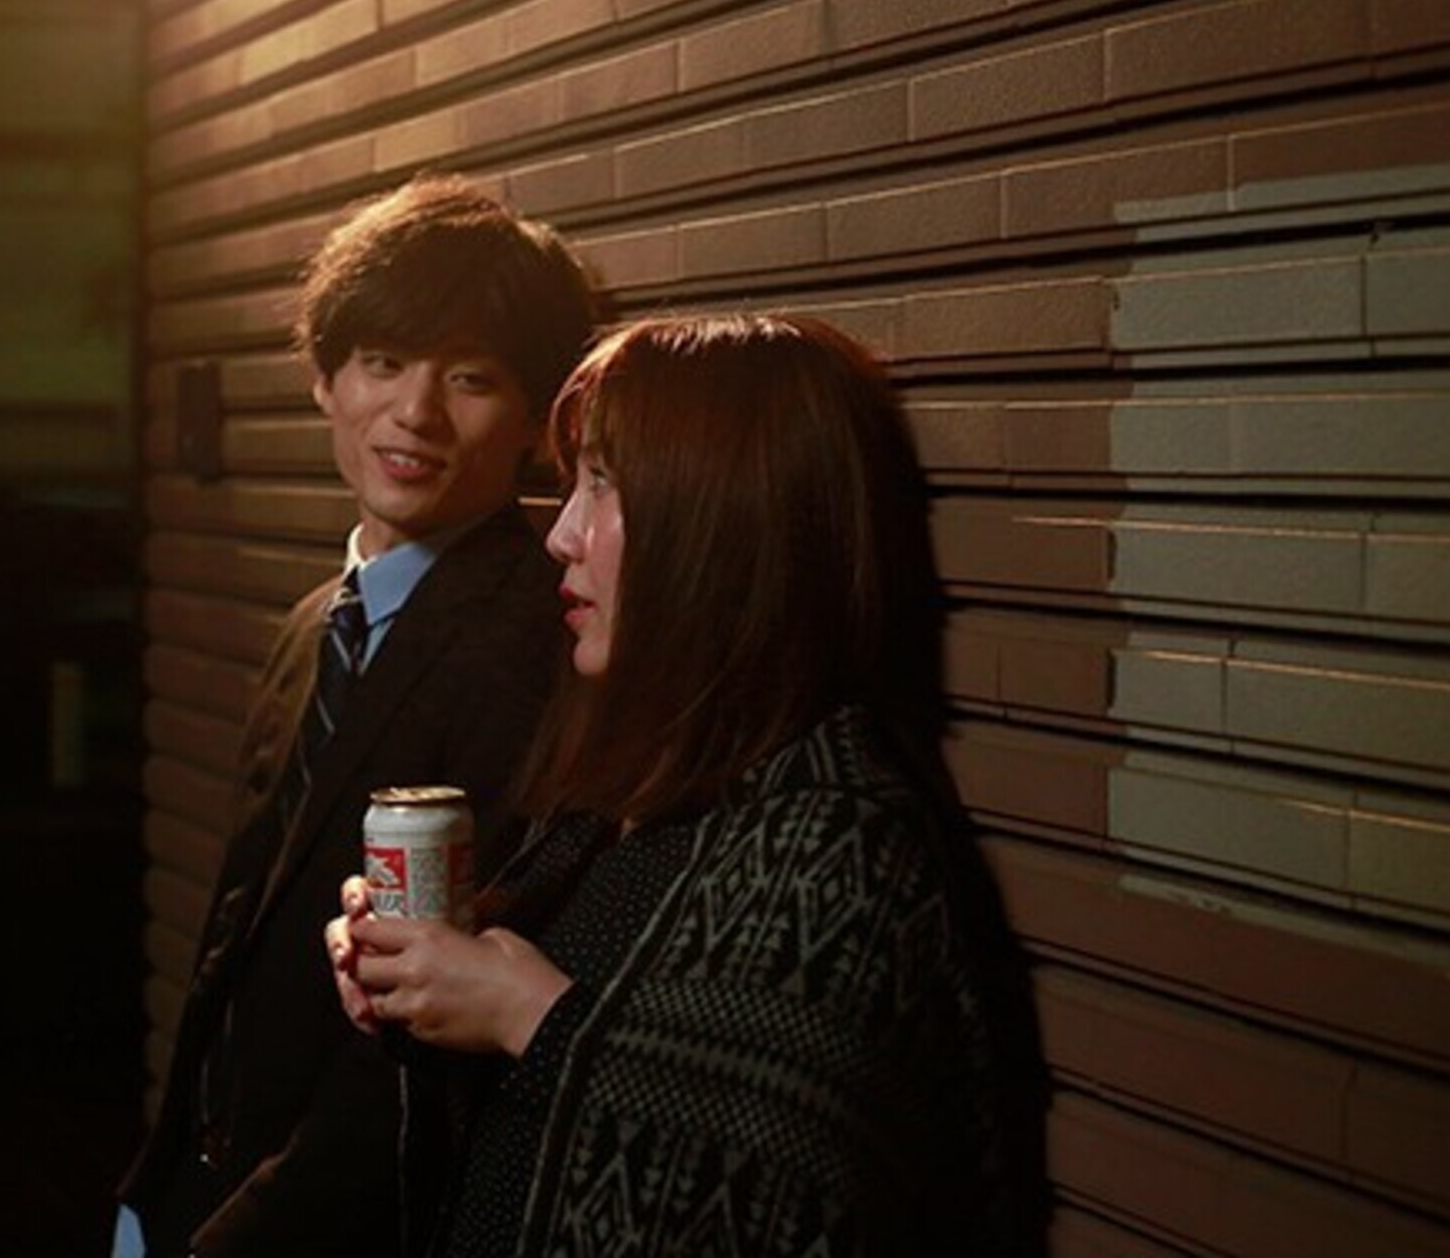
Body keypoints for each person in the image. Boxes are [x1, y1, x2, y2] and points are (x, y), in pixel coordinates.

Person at [328, 313, 1048, 1256]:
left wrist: (525, 1013)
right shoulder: (633, 790)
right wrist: (423, 985)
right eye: (571, 484)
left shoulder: (838, 843)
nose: (562, 536)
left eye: (603, 484)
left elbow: (784, 1186)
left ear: (724, 525)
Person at [115, 175, 601, 1257]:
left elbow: (418, 1042)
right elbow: (240, 938)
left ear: (535, 419)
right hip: (198, 1185)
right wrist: (153, 1192)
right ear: (324, 380)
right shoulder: (311, 625)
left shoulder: (539, 643)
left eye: (469, 377)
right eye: (383, 361)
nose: (415, 414)